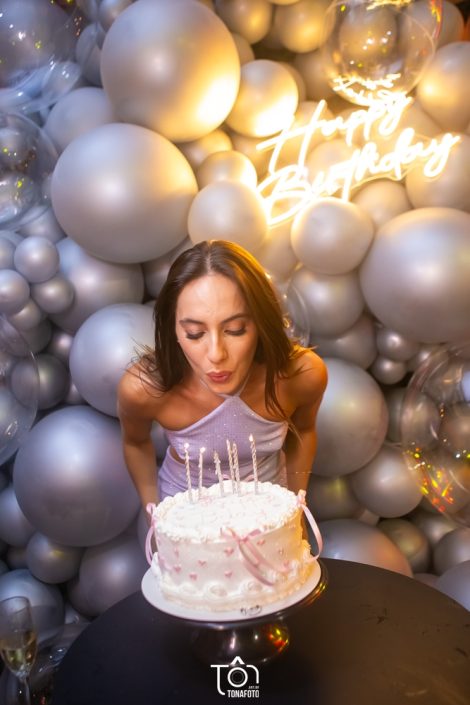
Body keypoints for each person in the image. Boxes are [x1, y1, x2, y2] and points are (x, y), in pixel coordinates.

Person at [117, 239, 327, 511]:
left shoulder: (302, 375)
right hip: (184, 514)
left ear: (261, 323)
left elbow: (304, 432)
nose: (216, 354)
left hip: (270, 513)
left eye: (235, 329)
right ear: (173, 330)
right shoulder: (141, 388)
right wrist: (152, 510)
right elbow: (135, 443)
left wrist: (297, 505)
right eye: (195, 333)